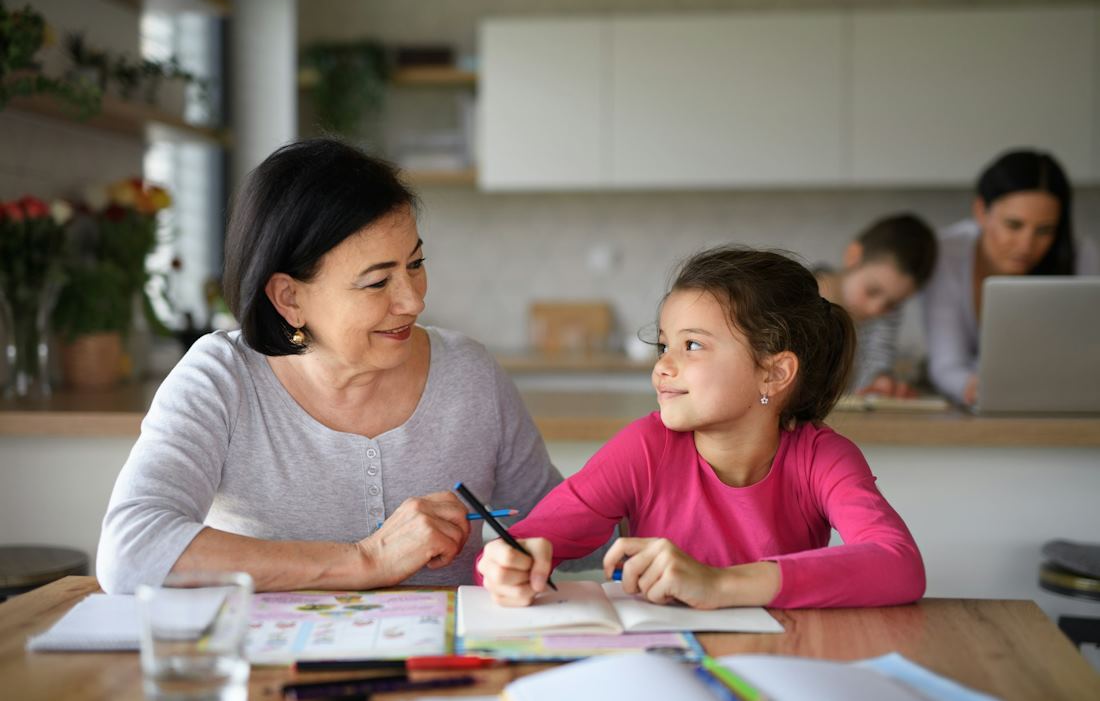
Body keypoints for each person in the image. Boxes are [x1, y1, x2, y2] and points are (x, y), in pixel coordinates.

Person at [96, 139, 564, 594]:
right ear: (290, 298)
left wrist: (625, 496)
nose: (414, 300)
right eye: (377, 281)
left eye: (416, 264)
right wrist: (366, 560)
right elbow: (131, 551)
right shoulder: (222, 380)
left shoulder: (469, 373)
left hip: (447, 670)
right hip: (269, 669)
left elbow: (567, 526)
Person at [477, 247, 926, 609]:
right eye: (663, 345)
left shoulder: (823, 458)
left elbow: (899, 565)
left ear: (774, 373)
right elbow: (509, 551)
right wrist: (507, 565)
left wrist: (720, 585)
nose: (662, 367)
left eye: (692, 345)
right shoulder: (644, 448)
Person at [923, 149, 1099, 406]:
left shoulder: (1081, 255)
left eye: (1045, 230)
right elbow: (947, 364)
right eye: (1014, 225)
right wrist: (974, 388)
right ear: (981, 211)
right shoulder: (946, 254)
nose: (1027, 245)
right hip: (982, 403)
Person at [815, 213, 938, 396]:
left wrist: (880, 381)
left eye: (893, 304)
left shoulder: (884, 314)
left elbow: (874, 368)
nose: (876, 309)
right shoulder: (803, 298)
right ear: (853, 256)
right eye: (872, 291)